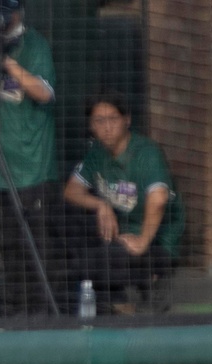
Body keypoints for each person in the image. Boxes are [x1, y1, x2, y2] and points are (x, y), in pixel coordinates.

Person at [0, 0, 62, 316]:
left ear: (18, 12)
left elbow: (45, 92)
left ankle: (43, 315)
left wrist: (8, 64)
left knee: (37, 246)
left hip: (32, 167)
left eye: (4, 12)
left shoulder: (34, 44)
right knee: (8, 246)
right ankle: (16, 311)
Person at [63, 91, 185, 314]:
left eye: (113, 119)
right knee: (70, 227)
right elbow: (71, 190)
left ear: (126, 120)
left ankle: (153, 282)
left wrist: (143, 240)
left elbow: (159, 198)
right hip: (121, 234)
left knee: (104, 260)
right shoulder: (97, 153)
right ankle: (117, 300)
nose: (107, 127)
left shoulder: (146, 152)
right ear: (91, 125)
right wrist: (101, 205)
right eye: (99, 121)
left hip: (156, 239)